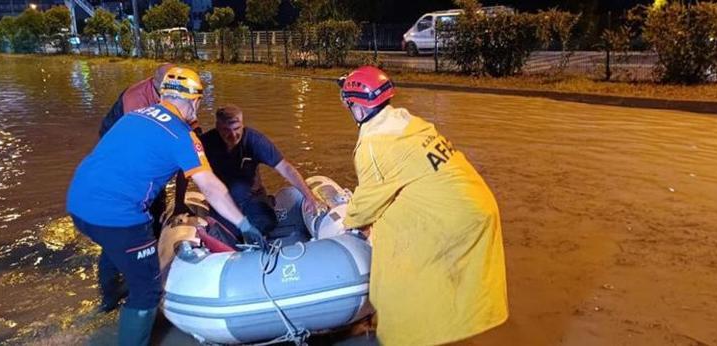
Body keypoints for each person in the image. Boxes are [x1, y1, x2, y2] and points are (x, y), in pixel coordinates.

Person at [66, 67, 266, 346]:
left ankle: (108, 305)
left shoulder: (134, 115)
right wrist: (245, 225)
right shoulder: (182, 135)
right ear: (194, 100)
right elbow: (211, 187)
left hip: (78, 203)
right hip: (116, 214)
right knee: (147, 289)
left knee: (114, 250)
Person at [337, 66, 508, 345]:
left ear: (358, 107)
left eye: (350, 104)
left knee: (405, 280)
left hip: (451, 220)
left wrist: (348, 222)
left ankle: (408, 336)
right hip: (475, 204)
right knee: (449, 286)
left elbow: (366, 204)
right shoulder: (407, 122)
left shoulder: (374, 144)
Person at [199, 105, 325, 245]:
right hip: (223, 201)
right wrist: (179, 203)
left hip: (252, 199)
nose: (233, 135)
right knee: (225, 236)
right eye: (226, 130)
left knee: (265, 223)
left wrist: (308, 196)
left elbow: (285, 168)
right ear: (217, 126)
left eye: (237, 129)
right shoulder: (205, 143)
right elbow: (185, 171)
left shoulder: (255, 140)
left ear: (243, 124)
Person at [98, 63, 199, 238]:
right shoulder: (136, 101)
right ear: (156, 85)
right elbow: (137, 152)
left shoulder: (181, 100)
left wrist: (179, 202)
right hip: (120, 139)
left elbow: (188, 157)